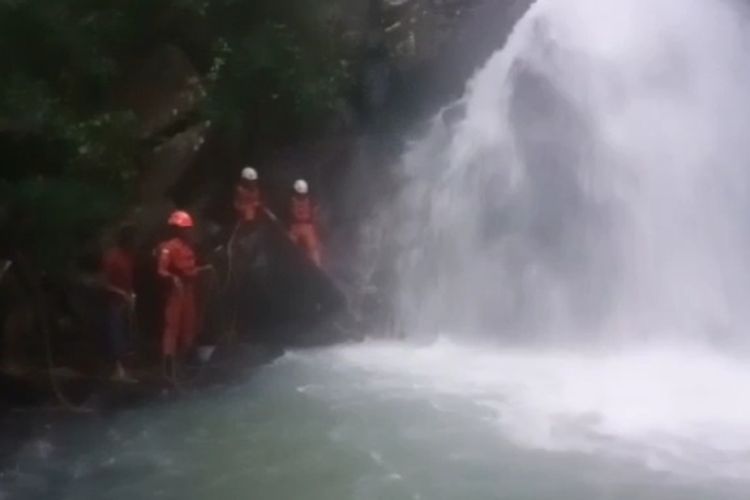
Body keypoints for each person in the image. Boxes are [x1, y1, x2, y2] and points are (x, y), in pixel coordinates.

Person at [157, 210, 203, 377]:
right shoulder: (167, 248)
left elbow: (191, 266)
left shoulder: (188, 245)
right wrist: (173, 278)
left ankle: (187, 360)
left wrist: (201, 271)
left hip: (189, 289)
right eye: (184, 228)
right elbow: (161, 271)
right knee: (172, 327)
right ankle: (168, 365)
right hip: (176, 291)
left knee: (190, 324)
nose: (187, 231)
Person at [102, 224, 137, 382]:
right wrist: (122, 293)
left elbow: (129, 279)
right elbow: (105, 283)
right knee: (116, 335)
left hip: (127, 302)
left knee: (127, 335)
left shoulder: (128, 256)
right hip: (115, 302)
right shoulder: (112, 257)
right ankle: (118, 370)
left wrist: (131, 294)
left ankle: (125, 370)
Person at [288, 179, 323, 267]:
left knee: (313, 247)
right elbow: (288, 214)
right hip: (295, 226)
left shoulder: (311, 201)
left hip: (307, 226)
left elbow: (315, 215)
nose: (301, 196)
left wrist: (315, 223)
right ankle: (291, 263)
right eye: (299, 194)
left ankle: (316, 265)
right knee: (290, 244)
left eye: (303, 194)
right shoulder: (290, 200)